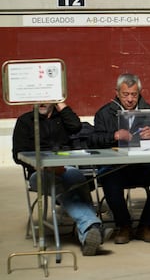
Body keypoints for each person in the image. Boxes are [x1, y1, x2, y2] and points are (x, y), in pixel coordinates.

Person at [12, 102, 110, 256]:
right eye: (39, 99)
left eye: (47, 98)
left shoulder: (62, 119)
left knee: (77, 177)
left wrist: (60, 103)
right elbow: (17, 155)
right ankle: (92, 226)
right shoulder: (25, 121)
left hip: (66, 168)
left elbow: (76, 126)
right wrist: (43, 166)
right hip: (38, 173)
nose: (42, 103)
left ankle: (89, 233)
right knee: (58, 183)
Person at [88, 73, 150, 244]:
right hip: (115, 167)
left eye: (134, 94)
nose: (130, 99)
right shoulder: (104, 113)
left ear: (140, 92)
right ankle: (123, 225)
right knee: (109, 179)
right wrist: (114, 135)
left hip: (142, 165)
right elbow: (93, 140)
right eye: (126, 94)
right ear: (117, 92)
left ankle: (146, 224)